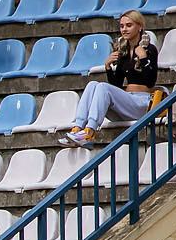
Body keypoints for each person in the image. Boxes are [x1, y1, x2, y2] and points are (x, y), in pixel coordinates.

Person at [66, 11, 163, 144]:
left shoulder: (149, 49)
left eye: (129, 25)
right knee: (92, 84)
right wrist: (108, 67)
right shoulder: (122, 52)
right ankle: (78, 128)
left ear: (140, 27)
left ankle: (90, 131)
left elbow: (150, 81)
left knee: (103, 87)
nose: (124, 29)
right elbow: (116, 85)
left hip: (142, 103)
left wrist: (144, 58)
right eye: (122, 26)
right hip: (127, 102)